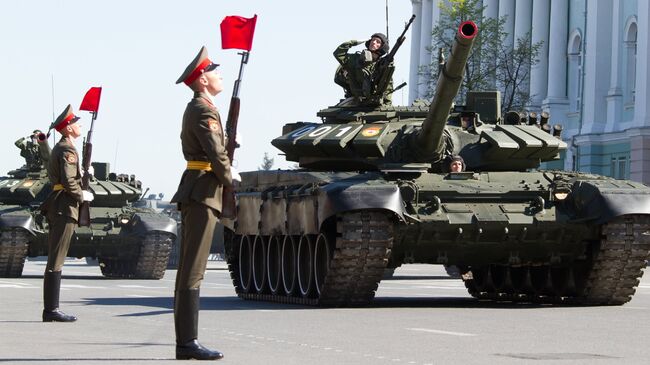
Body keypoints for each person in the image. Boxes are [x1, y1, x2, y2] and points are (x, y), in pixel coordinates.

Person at [171, 46, 240, 361]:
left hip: (200, 189)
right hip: (203, 191)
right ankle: (187, 343)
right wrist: (228, 175)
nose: (220, 74)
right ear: (201, 80)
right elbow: (213, 151)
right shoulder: (204, 109)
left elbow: (213, 147)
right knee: (192, 271)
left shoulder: (201, 107)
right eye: (214, 70)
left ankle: (187, 341)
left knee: (190, 268)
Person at [40, 105, 94, 322]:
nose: (79, 125)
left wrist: (83, 173)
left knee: (56, 257)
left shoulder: (65, 148)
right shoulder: (67, 150)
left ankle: (51, 309)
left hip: (61, 205)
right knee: (56, 259)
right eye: (76, 123)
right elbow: (68, 180)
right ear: (69, 128)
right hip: (64, 206)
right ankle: (51, 310)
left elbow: (69, 176)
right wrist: (82, 195)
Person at [333, 32, 392, 104]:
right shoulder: (356, 59)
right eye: (372, 40)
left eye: (378, 42)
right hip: (355, 101)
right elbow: (338, 53)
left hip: (373, 105)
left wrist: (387, 104)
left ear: (383, 47)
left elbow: (388, 87)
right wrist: (354, 42)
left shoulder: (382, 65)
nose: (373, 42)